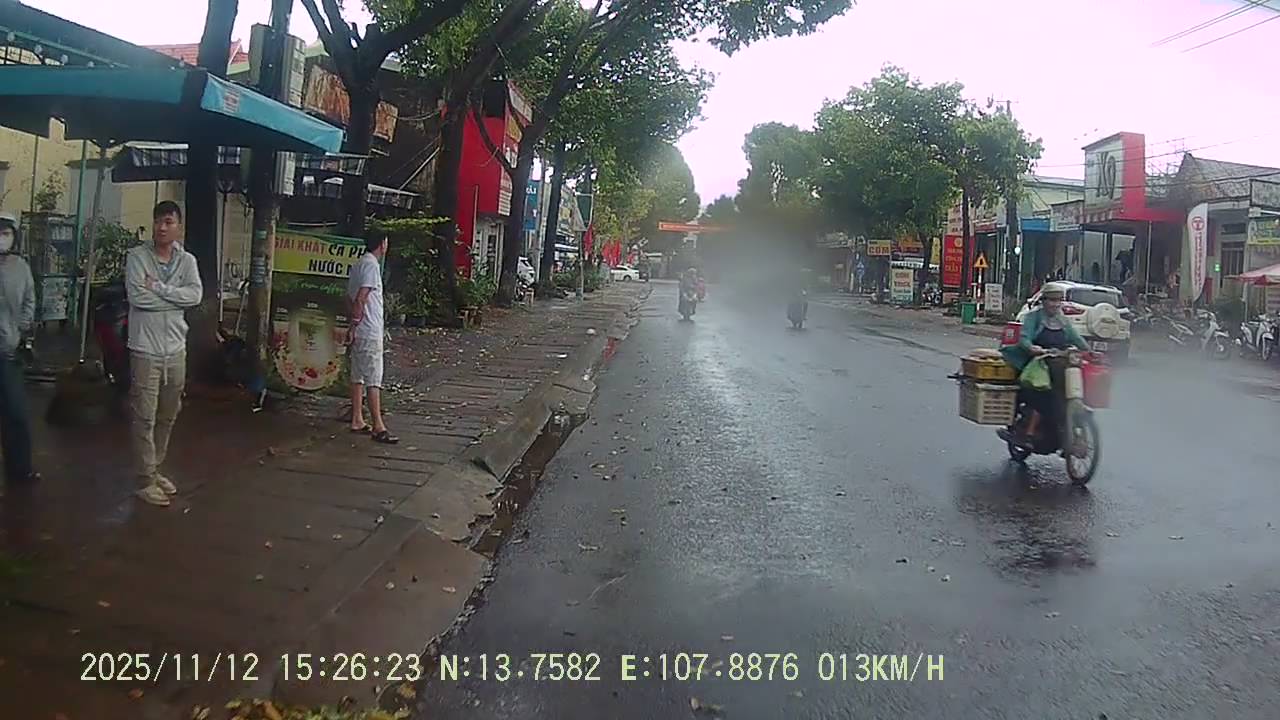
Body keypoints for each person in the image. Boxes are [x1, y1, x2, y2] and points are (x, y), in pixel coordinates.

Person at [126, 201, 202, 507]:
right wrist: (175, 299)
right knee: (144, 415)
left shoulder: (187, 261)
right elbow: (137, 298)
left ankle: (154, 468)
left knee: (168, 414)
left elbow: (195, 296)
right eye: (158, 221)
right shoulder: (137, 257)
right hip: (145, 349)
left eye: (168, 222)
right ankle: (144, 479)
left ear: (178, 226)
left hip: (175, 349)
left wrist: (158, 288)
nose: (161, 227)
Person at [999, 282, 1089, 449]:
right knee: (1041, 398)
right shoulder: (1033, 317)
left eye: (1058, 301)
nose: (1055, 304)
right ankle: (1028, 434)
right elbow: (1024, 337)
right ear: (1044, 301)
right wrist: (1032, 348)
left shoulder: (1062, 319)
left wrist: (1089, 350)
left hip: (1057, 363)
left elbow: (1075, 337)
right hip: (1036, 364)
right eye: (1051, 300)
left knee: (1065, 391)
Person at [348, 235, 398, 445]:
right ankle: (378, 425)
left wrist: (352, 326)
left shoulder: (358, 264)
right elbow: (361, 297)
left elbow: (349, 297)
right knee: (373, 377)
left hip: (360, 329)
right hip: (369, 329)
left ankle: (357, 418)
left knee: (358, 375)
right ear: (382, 244)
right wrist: (357, 321)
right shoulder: (371, 265)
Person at [0, 213, 37, 485]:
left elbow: (30, 300)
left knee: (16, 413)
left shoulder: (21, 267)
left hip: (9, 351)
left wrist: (22, 328)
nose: (2, 238)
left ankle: (20, 469)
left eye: (6, 233)